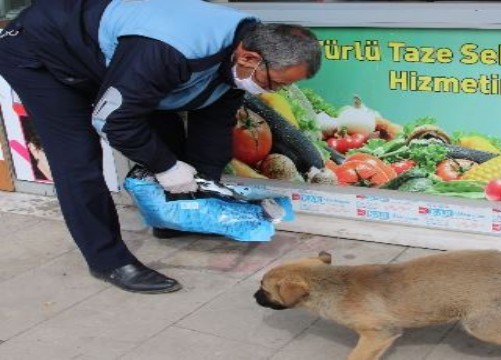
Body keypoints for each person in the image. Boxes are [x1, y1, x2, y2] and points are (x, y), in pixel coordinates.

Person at [0, 0, 322, 294]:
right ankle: (107, 260)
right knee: (77, 157)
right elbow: (114, 121)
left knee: (164, 128)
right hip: (44, 54)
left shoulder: (248, 42)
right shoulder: (168, 50)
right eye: (277, 83)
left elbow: (213, 120)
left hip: (115, 53)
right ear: (249, 58)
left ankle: (170, 220)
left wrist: (200, 185)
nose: (279, 90)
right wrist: (167, 168)